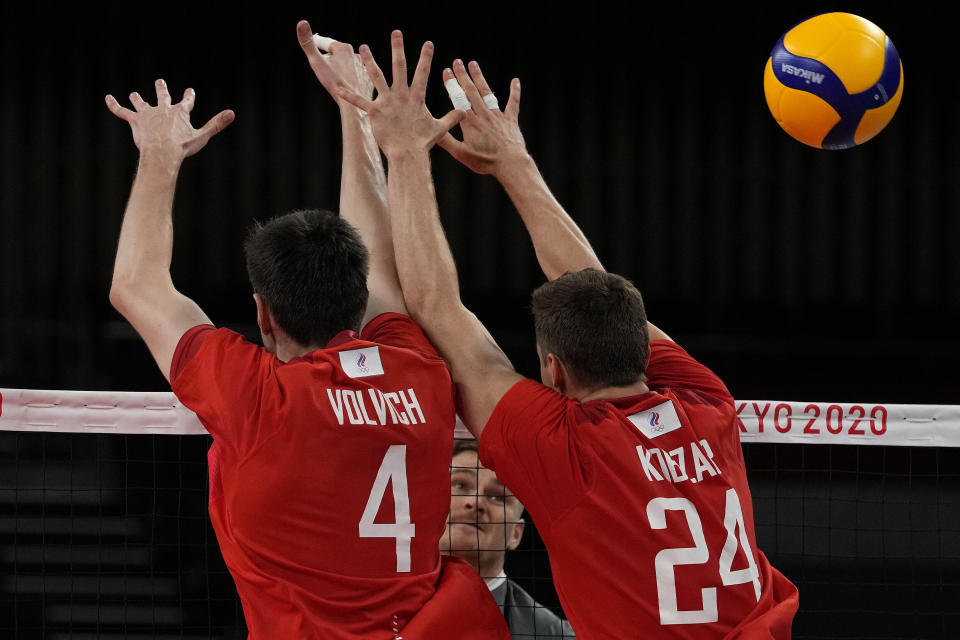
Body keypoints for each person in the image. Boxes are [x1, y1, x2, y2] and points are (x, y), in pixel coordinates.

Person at [337, 31, 800, 639]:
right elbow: (591, 282)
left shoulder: (563, 451)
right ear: (645, 348)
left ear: (553, 370)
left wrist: (406, 150)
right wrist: (515, 164)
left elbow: (434, 305)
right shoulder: (706, 404)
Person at [104, 22, 509, 640]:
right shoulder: (418, 372)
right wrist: (353, 113)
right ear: (359, 298)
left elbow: (135, 286)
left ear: (263, 314)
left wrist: (159, 155)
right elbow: (379, 263)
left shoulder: (256, 396)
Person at [444, 438, 576, 639]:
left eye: (497, 496)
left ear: (516, 533)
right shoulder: (386, 603)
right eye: (460, 485)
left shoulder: (553, 635)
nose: (475, 502)